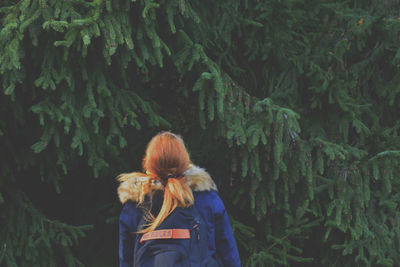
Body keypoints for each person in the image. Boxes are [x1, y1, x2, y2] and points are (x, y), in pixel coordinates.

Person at [118, 131, 241, 267]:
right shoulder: (206, 199)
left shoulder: (135, 204)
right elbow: (229, 253)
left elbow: (126, 260)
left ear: (149, 164)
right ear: (184, 161)